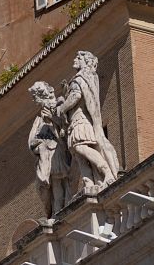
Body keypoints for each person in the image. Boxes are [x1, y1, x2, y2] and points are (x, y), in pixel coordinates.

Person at [56, 51, 119, 192]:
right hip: (74, 121)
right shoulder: (87, 78)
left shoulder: (80, 78)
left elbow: (76, 96)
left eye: (78, 58)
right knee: (78, 155)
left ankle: (106, 171)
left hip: (82, 120)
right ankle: (89, 183)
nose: (75, 59)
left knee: (80, 148)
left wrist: (62, 108)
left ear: (86, 61)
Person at [28, 81, 71, 219]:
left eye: (36, 98)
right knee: (50, 186)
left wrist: (52, 119)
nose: (35, 102)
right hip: (47, 153)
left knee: (61, 184)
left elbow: (64, 126)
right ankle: (55, 212)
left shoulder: (59, 104)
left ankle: (61, 212)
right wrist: (38, 144)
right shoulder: (39, 117)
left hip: (58, 151)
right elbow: (32, 139)